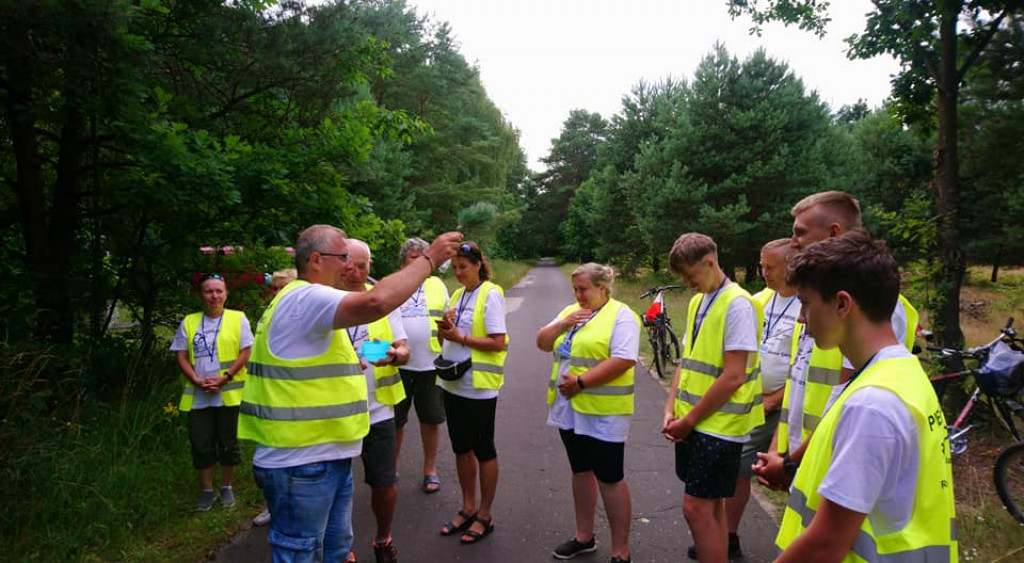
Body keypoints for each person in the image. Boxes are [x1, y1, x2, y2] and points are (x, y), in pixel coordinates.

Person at [238, 225, 461, 563]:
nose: (348, 266)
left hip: (324, 456)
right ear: (316, 259)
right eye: (342, 257)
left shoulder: (307, 300)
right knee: (300, 553)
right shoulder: (305, 296)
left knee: (334, 551)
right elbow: (376, 301)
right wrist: (430, 259)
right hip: (301, 463)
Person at [774, 231, 956, 561]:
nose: (801, 318)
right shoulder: (905, 374)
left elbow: (827, 543)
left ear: (843, 303)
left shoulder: (872, 403)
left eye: (805, 303)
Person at [755, 191, 919, 491]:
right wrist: (781, 451)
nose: (793, 243)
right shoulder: (817, 300)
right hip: (806, 458)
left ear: (833, 233)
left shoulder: (868, 303)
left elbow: (846, 401)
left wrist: (792, 462)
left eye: (800, 233)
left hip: (835, 461)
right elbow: (797, 379)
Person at [661, 233, 763, 563]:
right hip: (696, 420)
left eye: (690, 275)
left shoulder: (738, 304)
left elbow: (734, 375)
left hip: (719, 425)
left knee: (696, 508)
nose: (687, 283)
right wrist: (670, 406)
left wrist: (689, 420)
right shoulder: (698, 300)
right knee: (712, 507)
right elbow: (687, 359)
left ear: (710, 262)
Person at [694, 239, 796, 560]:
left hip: (786, 406)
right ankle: (729, 536)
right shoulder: (760, 299)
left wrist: (776, 399)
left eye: (771, 267)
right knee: (740, 469)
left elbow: (808, 365)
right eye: (762, 265)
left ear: (791, 266)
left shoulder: (809, 305)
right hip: (754, 402)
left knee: (792, 477)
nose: (763, 273)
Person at [536, 263, 640, 563]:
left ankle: (621, 550)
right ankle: (584, 537)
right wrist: (562, 323)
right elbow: (542, 343)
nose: (578, 294)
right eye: (575, 289)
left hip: (604, 412)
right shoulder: (572, 313)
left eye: (583, 289)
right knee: (580, 471)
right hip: (569, 410)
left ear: (602, 288)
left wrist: (582, 382)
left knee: (610, 477)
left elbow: (623, 359)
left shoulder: (622, 316)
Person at [339, 240, 410, 563]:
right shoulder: (325, 298)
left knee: (384, 483)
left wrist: (395, 354)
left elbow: (402, 348)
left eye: (363, 265)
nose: (355, 271)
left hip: (378, 407)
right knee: (337, 486)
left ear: (370, 265)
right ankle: (342, 548)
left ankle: (383, 540)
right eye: (349, 264)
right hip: (335, 410)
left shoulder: (383, 298)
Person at [434, 241, 507, 545]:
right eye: (455, 269)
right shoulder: (456, 294)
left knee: (483, 449)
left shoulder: (491, 293)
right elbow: (444, 340)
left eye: (463, 267)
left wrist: (460, 337)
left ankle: (485, 515)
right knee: (460, 448)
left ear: (478, 264)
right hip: (452, 382)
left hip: (478, 386)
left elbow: (497, 341)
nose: (459, 273)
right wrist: (444, 329)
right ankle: (467, 507)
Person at [170, 273, 254, 511]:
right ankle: (207, 490)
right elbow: (181, 355)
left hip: (227, 392)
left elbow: (245, 351)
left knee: (228, 441)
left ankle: (227, 487)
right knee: (201, 443)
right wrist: (195, 379)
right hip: (199, 395)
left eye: (219, 291)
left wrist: (225, 378)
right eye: (209, 291)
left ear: (226, 294)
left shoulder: (238, 319)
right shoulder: (189, 321)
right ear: (201, 295)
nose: (214, 296)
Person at [393, 238, 449, 495]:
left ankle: (430, 469)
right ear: (403, 260)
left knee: (431, 419)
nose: (417, 262)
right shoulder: (394, 282)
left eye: (422, 257)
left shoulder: (437, 284)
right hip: (397, 365)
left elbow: (447, 318)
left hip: (430, 364)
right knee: (395, 421)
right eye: (412, 257)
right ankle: (391, 470)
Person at [253, 268, 298, 527]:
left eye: (283, 288)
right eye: (275, 289)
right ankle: (273, 505)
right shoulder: (268, 316)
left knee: (290, 458)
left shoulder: (300, 318)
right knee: (269, 459)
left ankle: (287, 506)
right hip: (269, 399)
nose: (277, 294)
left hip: (294, 400)